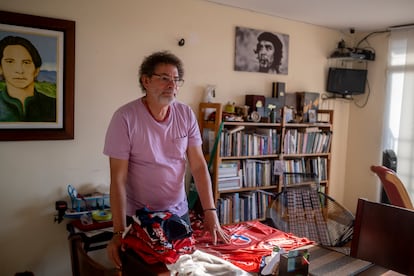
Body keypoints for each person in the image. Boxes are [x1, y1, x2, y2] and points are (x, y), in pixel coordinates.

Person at [104, 51, 230, 269]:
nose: (171, 84)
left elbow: (199, 166)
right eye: (164, 78)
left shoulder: (186, 114)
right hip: (139, 218)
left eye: (175, 79)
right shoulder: (125, 117)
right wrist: (118, 232)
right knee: (145, 271)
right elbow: (118, 179)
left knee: (183, 270)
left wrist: (210, 212)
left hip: (178, 213)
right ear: (145, 80)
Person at [0, 35, 56, 122]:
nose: (19, 70)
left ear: (36, 70)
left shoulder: (54, 105)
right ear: (0, 68)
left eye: (26, 62)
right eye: (10, 62)